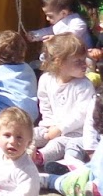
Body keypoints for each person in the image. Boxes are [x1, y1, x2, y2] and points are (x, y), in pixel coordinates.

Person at [35, 31, 94, 166]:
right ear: (59, 62)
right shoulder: (46, 79)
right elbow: (45, 104)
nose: (84, 64)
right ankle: (5, 143)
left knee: (58, 144)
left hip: (75, 132)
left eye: (84, 59)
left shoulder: (84, 85)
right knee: (31, 133)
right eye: (78, 61)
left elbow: (82, 114)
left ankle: (38, 157)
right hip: (51, 126)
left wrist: (60, 129)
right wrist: (49, 124)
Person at [28, 0, 92, 49]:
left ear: (63, 13)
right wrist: (35, 35)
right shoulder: (59, 23)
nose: (47, 19)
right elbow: (49, 30)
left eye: (50, 16)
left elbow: (73, 34)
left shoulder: (75, 21)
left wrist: (56, 39)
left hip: (81, 52)